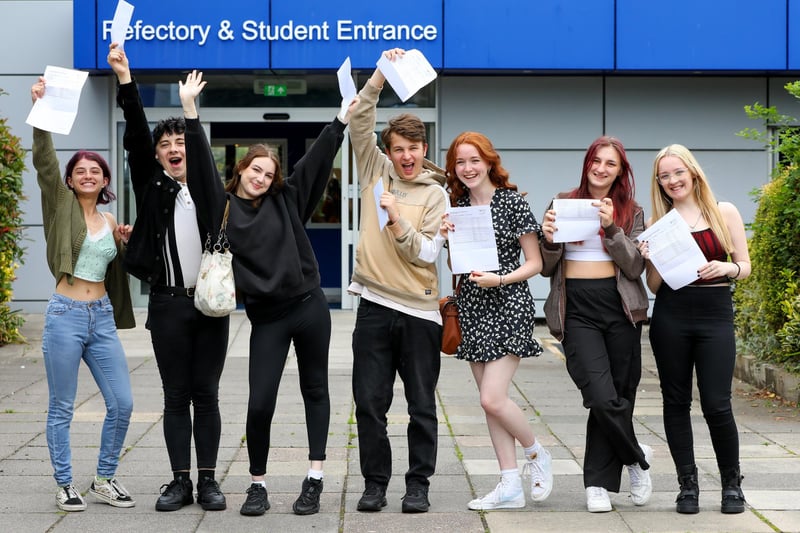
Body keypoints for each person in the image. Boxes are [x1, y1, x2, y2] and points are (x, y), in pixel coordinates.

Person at [180, 71, 352, 517]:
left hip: (310, 306)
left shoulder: (286, 200)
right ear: (241, 169)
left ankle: (314, 479)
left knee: (316, 389)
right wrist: (190, 113)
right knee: (260, 401)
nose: (261, 177)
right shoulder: (220, 206)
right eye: (256, 169)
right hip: (267, 318)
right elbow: (199, 168)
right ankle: (257, 484)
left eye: (269, 172)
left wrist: (339, 121)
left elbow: (315, 162)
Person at [107, 43, 229, 512]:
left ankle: (209, 480)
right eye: (167, 145)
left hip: (210, 305)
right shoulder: (153, 184)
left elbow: (200, 156)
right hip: (168, 304)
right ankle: (179, 481)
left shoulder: (207, 189)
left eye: (181, 144)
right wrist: (125, 78)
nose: (175, 149)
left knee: (208, 395)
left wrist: (188, 112)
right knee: (175, 396)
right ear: (158, 156)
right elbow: (136, 136)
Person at [348, 48, 448, 514]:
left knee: (421, 406)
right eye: (398, 149)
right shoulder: (374, 171)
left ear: (424, 150)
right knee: (369, 404)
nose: (405, 157)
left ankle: (418, 485)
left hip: (420, 311)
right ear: (388, 152)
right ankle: (375, 483)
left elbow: (428, 253)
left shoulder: (437, 194)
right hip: (373, 306)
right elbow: (359, 122)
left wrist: (396, 221)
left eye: (413, 149)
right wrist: (378, 78)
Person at [31, 78, 136, 512]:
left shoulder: (113, 220)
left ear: (105, 179)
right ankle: (64, 483)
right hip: (65, 314)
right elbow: (44, 163)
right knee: (62, 407)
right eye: (81, 171)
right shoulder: (60, 205)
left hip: (102, 316)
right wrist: (40, 115)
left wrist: (125, 243)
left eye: (96, 170)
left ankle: (105, 478)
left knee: (123, 403)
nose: (88, 175)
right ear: (71, 181)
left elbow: (115, 270)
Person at [440, 132, 553, 510]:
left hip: (508, 302)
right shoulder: (456, 206)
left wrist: (500, 279)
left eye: (474, 160)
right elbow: (458, 264)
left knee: (492, 397)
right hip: (473, 304)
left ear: (489, 162)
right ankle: (509, 485)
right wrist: (445, 238)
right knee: (489, 402)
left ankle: (537, 455)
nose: (468, 168)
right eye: (460, 162)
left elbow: (535, 263)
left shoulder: (512, 204)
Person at [539, 136, 652, 513]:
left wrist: (611, 229)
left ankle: (598, 486)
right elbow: (547, 266)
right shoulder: (562, 201)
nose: (601, 168)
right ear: (587, 163)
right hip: (578, 309)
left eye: (611, 164)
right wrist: (549, 239)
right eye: (596, 161)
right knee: (601, 396)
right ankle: (635, 457)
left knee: (620, 392)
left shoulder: (632, 211)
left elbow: (635, 267)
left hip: (620, 309)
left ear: (621, 172)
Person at [640, 144, 751, 514]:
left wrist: (727, 268)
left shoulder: (724, 212)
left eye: (677, 173)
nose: (672, 181)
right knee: (675, 403)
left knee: (718, 404)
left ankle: (732, 484)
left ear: (693, 172)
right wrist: (650, 260)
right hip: (672, 315)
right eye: (664, 176)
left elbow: (745, 265)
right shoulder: (659, 224)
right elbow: (655, 286)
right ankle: (687, 486)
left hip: (715, 314)